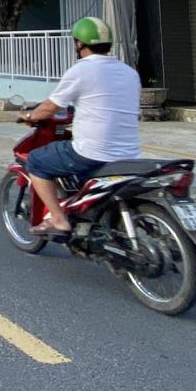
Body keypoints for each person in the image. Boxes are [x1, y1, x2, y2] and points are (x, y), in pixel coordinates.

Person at [16, 16, 140, 237]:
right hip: (129, 154)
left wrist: (29, 115)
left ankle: (58, 218)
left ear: (79, 43)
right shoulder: (130, 73)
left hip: (92, 153)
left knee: (36, 161)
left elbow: (49, 109)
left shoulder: (82, 70)